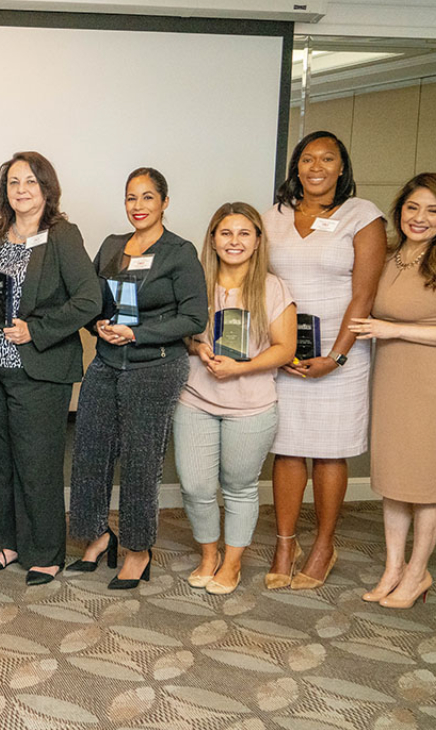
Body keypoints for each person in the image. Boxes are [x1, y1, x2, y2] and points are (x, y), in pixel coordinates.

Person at [0, 152, 101, 587]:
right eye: (12, 182)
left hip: (38, 368)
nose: (20, 190)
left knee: (37, 462)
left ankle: (45, 552)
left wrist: (35, 329)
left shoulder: (61, 234)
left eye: (29, 182)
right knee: (0, 460)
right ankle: (6, 543)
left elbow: (88, 299)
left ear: (46, 188)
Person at [68, 167, 207, 590]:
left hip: (155, 366)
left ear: (165, 202)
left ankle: (137, 550)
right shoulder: (112, 245)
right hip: (108, 360)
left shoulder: (179, 252)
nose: (138, 206)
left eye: (148, 198)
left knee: (140, 462)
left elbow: (194, 317)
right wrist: (98, 325)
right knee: (90, 453)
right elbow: (92, 298)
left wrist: (138, 333)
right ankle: (96, 535)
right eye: (131, 198)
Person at [263, 131, 385, 590]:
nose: (316, 167)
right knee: (288, 447)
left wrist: (335, 355)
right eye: (308, 158)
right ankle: (285, 542)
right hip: (286, 351)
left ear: (341, 167)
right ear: (296, 167)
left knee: (330, 451)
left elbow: (365, 294)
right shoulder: (273, 217)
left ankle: (323, 544)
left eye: (327, 159)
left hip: (341, 353)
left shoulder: (362, 215)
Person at [350, 173, 436, 609]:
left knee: (426, 482)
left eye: (432, 211)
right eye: (413, 207)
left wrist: (390, 329)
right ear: (400, 209)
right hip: (393, 377)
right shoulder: (388, 254)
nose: (419, 218)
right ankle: (393, 568)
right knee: (394, 479)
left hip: (433, 381)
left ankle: (418, 572)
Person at [174, 203, 296, 595]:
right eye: (226, 233)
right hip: (197, 398)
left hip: (251, 405)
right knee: (195, 485)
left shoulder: (273, 287)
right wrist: (197, 348)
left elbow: (285, 347)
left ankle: (232, 562)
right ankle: (208, 555)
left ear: (259, 241)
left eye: (244, 233)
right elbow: (179, 332)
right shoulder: (195, 282)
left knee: (240, 486)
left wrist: (240, 368)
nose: (235, 242)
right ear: (212, 239)